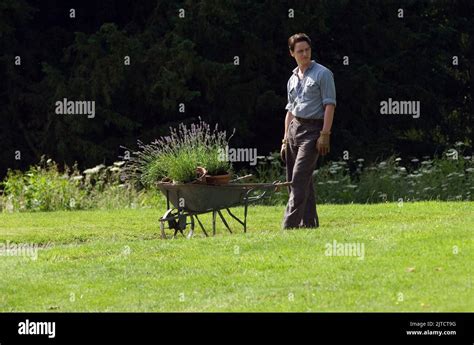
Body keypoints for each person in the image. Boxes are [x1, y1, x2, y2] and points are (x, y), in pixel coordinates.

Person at [281, 33, 336, 229]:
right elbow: (290, 110)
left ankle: (289, 226)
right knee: (298, 180)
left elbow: (330, 105)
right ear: (292, 53)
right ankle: (310, 223)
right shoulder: (292, 78)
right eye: (300, 51)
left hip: (314, 131)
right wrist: (284, 139)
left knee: (299, 179)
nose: (304, 54)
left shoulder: (323, 74)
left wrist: (325, 134)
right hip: (294, 129)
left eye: (307, 50)